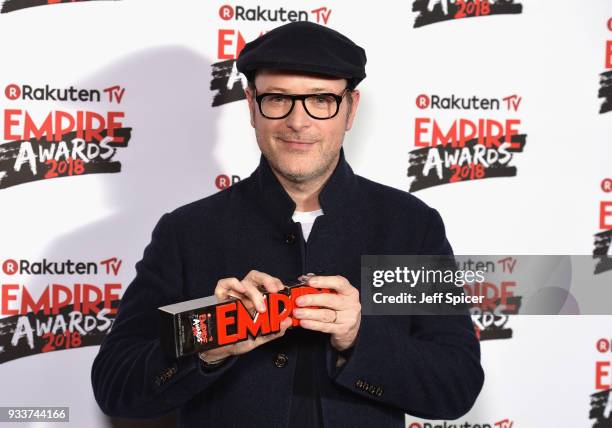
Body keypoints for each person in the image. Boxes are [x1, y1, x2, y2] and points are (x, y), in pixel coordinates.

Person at [91, 21, 484, 427]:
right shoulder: (188, 232)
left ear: (350, 108)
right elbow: (115, 387)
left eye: (320, 99)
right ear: (250, 105)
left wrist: (357, 336)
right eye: (277, 99)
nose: (298, 121)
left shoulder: (407, 227)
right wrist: (211, 339)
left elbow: (456, 385)